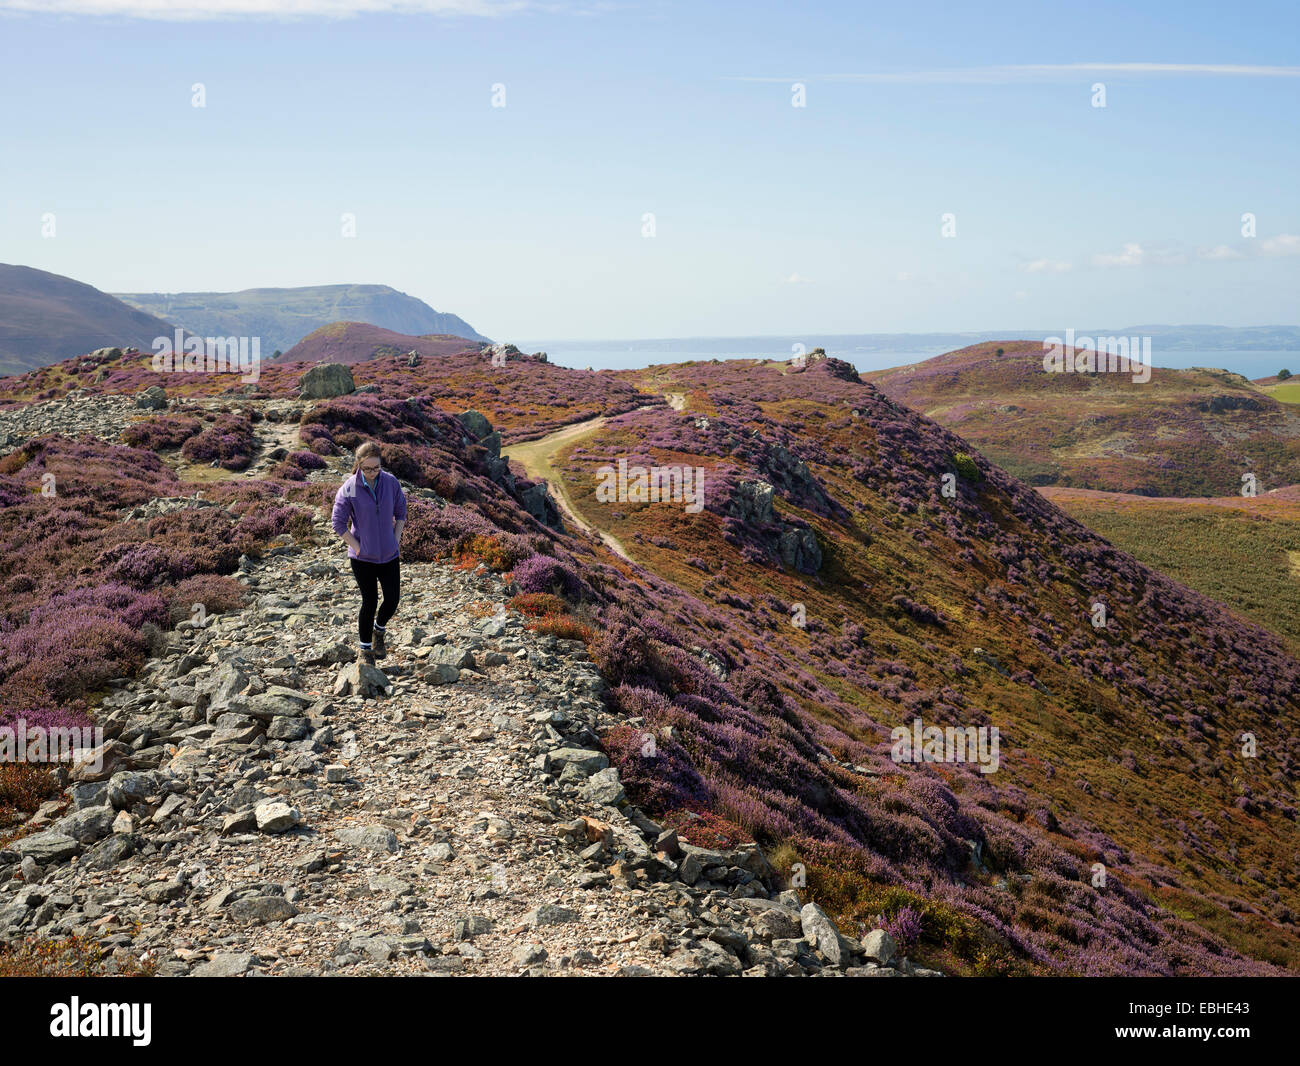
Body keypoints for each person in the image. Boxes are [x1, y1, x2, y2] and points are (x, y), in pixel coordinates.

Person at [331, 441, 406, 665]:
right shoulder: (351, 486)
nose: (373, 473)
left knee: (392, 599)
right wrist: (357, 546)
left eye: (376, 468)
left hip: (389, 555)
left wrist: (396, 539)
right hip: (362, 559)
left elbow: (401, 512)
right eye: (368, 468)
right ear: (359, 465)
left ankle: (379, 630)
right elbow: (338, 523)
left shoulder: (390, 482)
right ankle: (365, 651)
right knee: (370, 601)